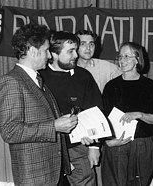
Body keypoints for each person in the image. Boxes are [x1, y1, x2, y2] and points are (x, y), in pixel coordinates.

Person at [0, 24, 78, 186]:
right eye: (46, 50)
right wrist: (54, 126)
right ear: (33, 51)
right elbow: (10, 131)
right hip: (35, 175)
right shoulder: (11, 81)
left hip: (53, 172)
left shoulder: (38, 80)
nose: (49, 56)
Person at [40, 31, 103, 186]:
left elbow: (95, 110)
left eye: (76, 49)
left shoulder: (84, 76)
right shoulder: (39, 76)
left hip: (78, 147)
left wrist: (95, 146)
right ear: (54, 54)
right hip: (48, 147)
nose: (76, 55)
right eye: (70, 51)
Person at [101, 42, 153, 186]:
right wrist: (108, 141)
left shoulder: (152, 87)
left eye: (127, 56)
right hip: (116, 144)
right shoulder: (111, 87)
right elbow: (104, 119)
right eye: (120, 56)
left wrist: (139, 114)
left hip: (142, 145)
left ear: (137, 59)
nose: (122, 60)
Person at [75, 29, 121, 186]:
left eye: (91, 44)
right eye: (82, 44)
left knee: (101, 179)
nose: (88, 48)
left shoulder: (107, 68)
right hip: (75, 135)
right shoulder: (66, 68)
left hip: (100, 135)